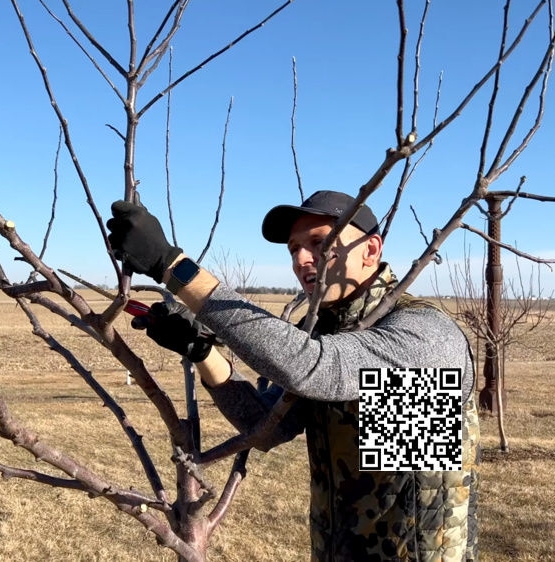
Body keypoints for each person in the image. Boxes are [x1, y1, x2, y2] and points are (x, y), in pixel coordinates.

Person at [106, 190, 479, 562]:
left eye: (319, 243)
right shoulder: (327, 333)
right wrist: (202, 352)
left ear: (370, 250)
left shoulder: (422, 333)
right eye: (293, 249)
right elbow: (269, 426)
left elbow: (317, 367)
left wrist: (173, 267)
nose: (301, 259)